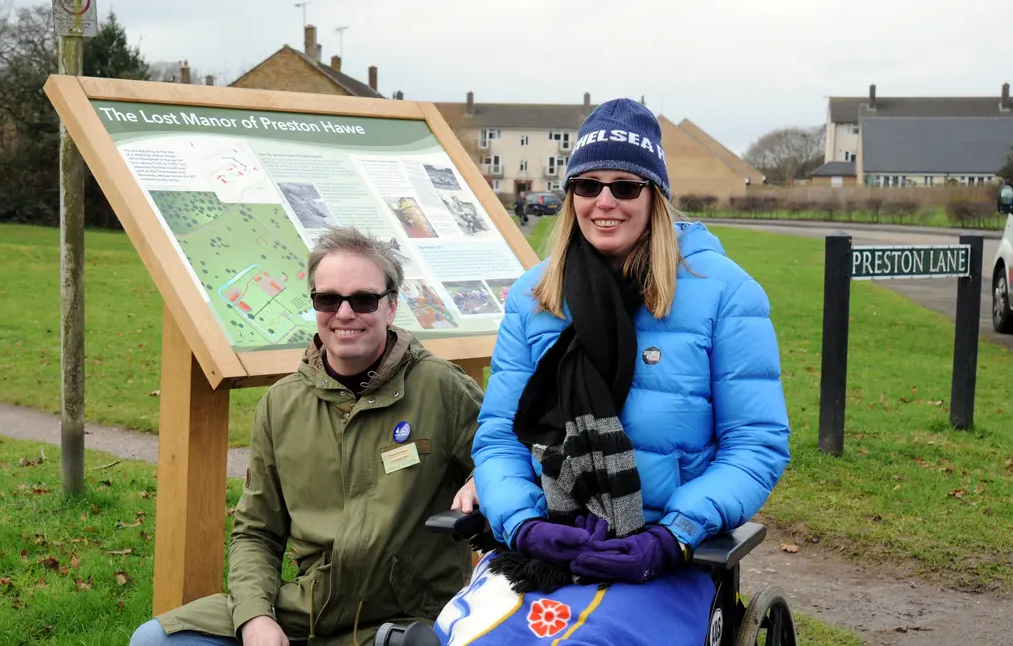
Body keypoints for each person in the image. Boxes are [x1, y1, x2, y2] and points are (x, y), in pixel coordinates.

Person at [434, 99, 791, 644]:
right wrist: (525, 525)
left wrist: (673, 536)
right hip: (545, 547)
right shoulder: (535, 296)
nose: (605, 202)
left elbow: (755, 444)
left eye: (626, 186)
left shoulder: (727, 294)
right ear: (570, 194)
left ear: (655, 198)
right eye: (588, 185)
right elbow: (500, 439)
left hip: (663, 556)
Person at [131, 227, 484, 646]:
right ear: (314, 304)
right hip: (308, 609)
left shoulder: (442, 389)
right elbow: (256, 532)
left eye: (364, 299)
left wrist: (485, 477)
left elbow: (513, 460)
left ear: (391, 306)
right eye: (329, 299)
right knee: (156, 640)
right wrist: (255, 618)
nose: (345, 313)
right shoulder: (281, 405)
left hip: (407, 619)